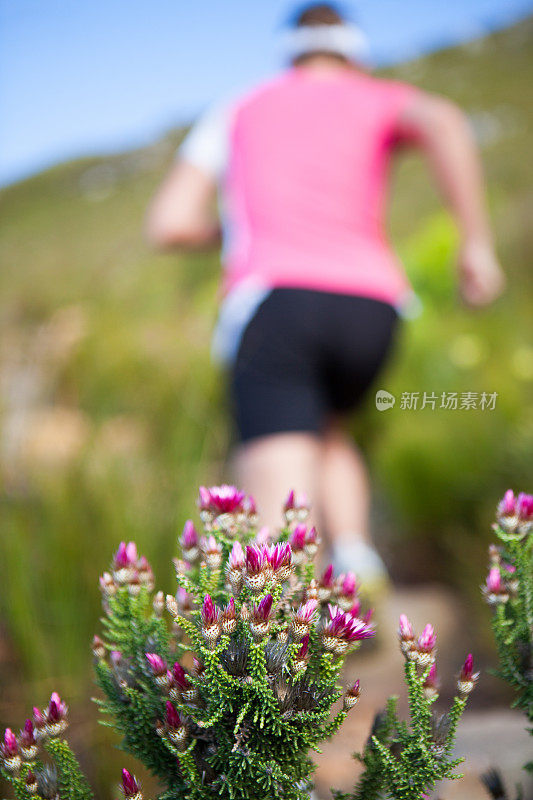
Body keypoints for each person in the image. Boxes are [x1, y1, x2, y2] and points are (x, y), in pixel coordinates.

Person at [146, 3, 504, 585]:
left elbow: (167, 223)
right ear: (353, 49)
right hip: (374, 306)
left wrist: (237, 227)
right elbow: (443, 121)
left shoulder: (240, 106)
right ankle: (359, 563)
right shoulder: (378, 96)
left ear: (288, 49)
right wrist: (476, 244)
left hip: (280, 300)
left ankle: (281, 621)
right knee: (329, 426)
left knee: (274, 484)